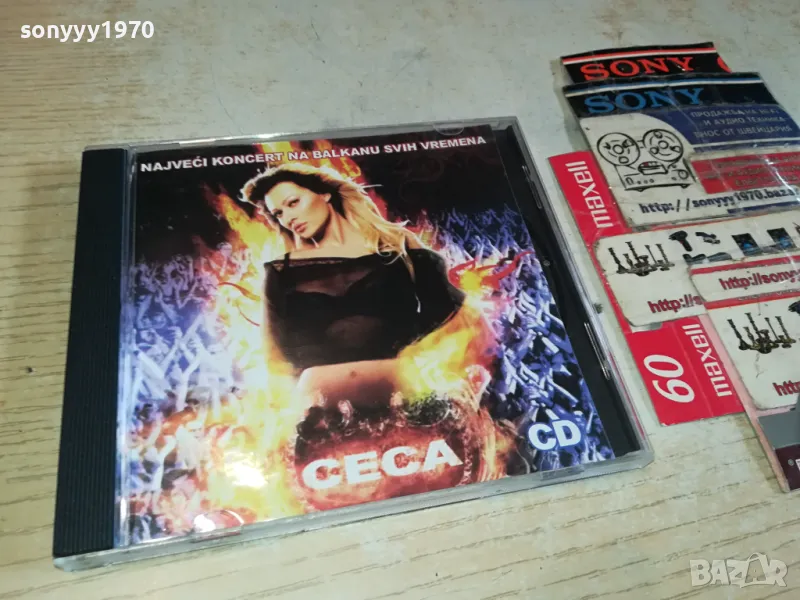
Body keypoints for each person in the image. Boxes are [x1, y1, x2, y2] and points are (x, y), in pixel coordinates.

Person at [239, 162, 478, 415]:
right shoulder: (281, 272)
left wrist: (412, 351)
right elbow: (274, 354)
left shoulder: (398, 245)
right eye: (278, 214)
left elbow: (446, 314)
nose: (288, 218)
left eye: (293, 203)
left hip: (403, 399)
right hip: (320, 411)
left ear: (324, 193)